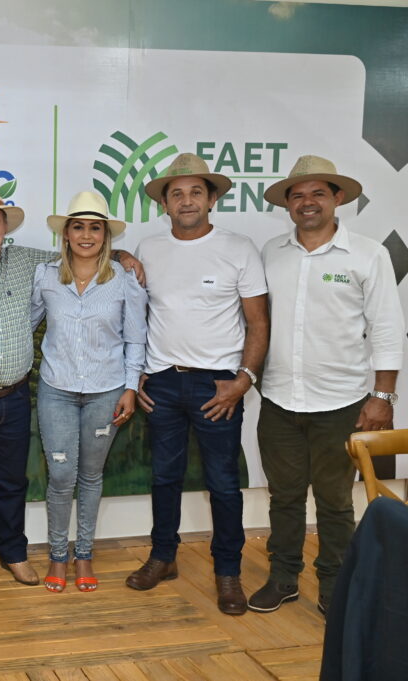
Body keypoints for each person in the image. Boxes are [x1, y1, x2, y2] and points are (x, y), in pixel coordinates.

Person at [248, 155, 404, 616]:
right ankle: (283, 578)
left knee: (335, 502)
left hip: (342, 403)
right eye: (297, 195)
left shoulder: (368, 254)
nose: (307, 202)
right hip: (279, 401)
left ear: (337, 199)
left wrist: (382, 397)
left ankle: (336, 586)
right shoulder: (271, 252)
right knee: (284, 497)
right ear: (287, 205)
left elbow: (387, 329)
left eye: (318, 193)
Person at [126, 153, 269, 616]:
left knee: (223, 484)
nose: (186, 201)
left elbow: (258, 322)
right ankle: (163, 556)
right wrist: (140, 372)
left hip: (218, 387)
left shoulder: (239, 248)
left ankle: (228, 572)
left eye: (195, 192)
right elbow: (137, 312)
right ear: (164, 204)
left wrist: (243, 381)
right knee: (163, 477)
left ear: (211, 199)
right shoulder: (148, 248)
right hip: (162, 383)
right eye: (177, 194)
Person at [32, 191, 147, 594]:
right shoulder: (45, 276)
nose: (86, 235)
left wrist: (130, 387)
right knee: (62, 475)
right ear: (65, 234)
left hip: (107, 390)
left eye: (94, 228)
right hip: (57, 390)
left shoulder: (125, 280)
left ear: (105, 235)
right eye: (78, 227)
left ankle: (84, 554)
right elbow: (26, 324)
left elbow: (135, 338)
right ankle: (57, 555)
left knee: (91, 475)